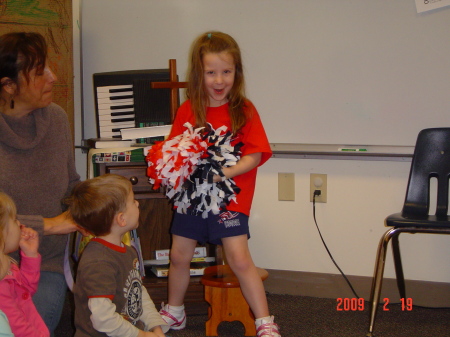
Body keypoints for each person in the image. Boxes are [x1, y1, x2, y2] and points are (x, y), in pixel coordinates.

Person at [159, 31, 281, 337]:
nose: (218, 80)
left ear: (236, 73)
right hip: (192, 197)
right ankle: (175, 312)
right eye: (210, 72)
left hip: (232, 198)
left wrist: (223, 173)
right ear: (198, 73)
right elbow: (176, 149)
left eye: (226, 72)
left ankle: (265, 321)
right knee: (179, 255)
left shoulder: (245, 110)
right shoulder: (189, 109)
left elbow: (254, 156)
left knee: (239, 258)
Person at [0, 32, 81, 335]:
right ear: (8, 85)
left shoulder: (57, 119)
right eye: (39, 73)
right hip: (2, 261)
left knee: (35, 327)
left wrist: (92, 207)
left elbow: (72, 183)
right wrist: (51, 224)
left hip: (45, 262)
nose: (53, 77)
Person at [68, 174, 169, 337]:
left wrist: (155, 325)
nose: (137, 204)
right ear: (121, 219)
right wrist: (142, 335)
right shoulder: (98, 262)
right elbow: (103, 320)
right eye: (132, 201)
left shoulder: (127, 251)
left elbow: (138, 292)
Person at [0, 192, 49, 337]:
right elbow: (15, 325)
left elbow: (25, 292)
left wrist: (30, 255)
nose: (20, 224)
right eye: (14, 219)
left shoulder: (6, 265)